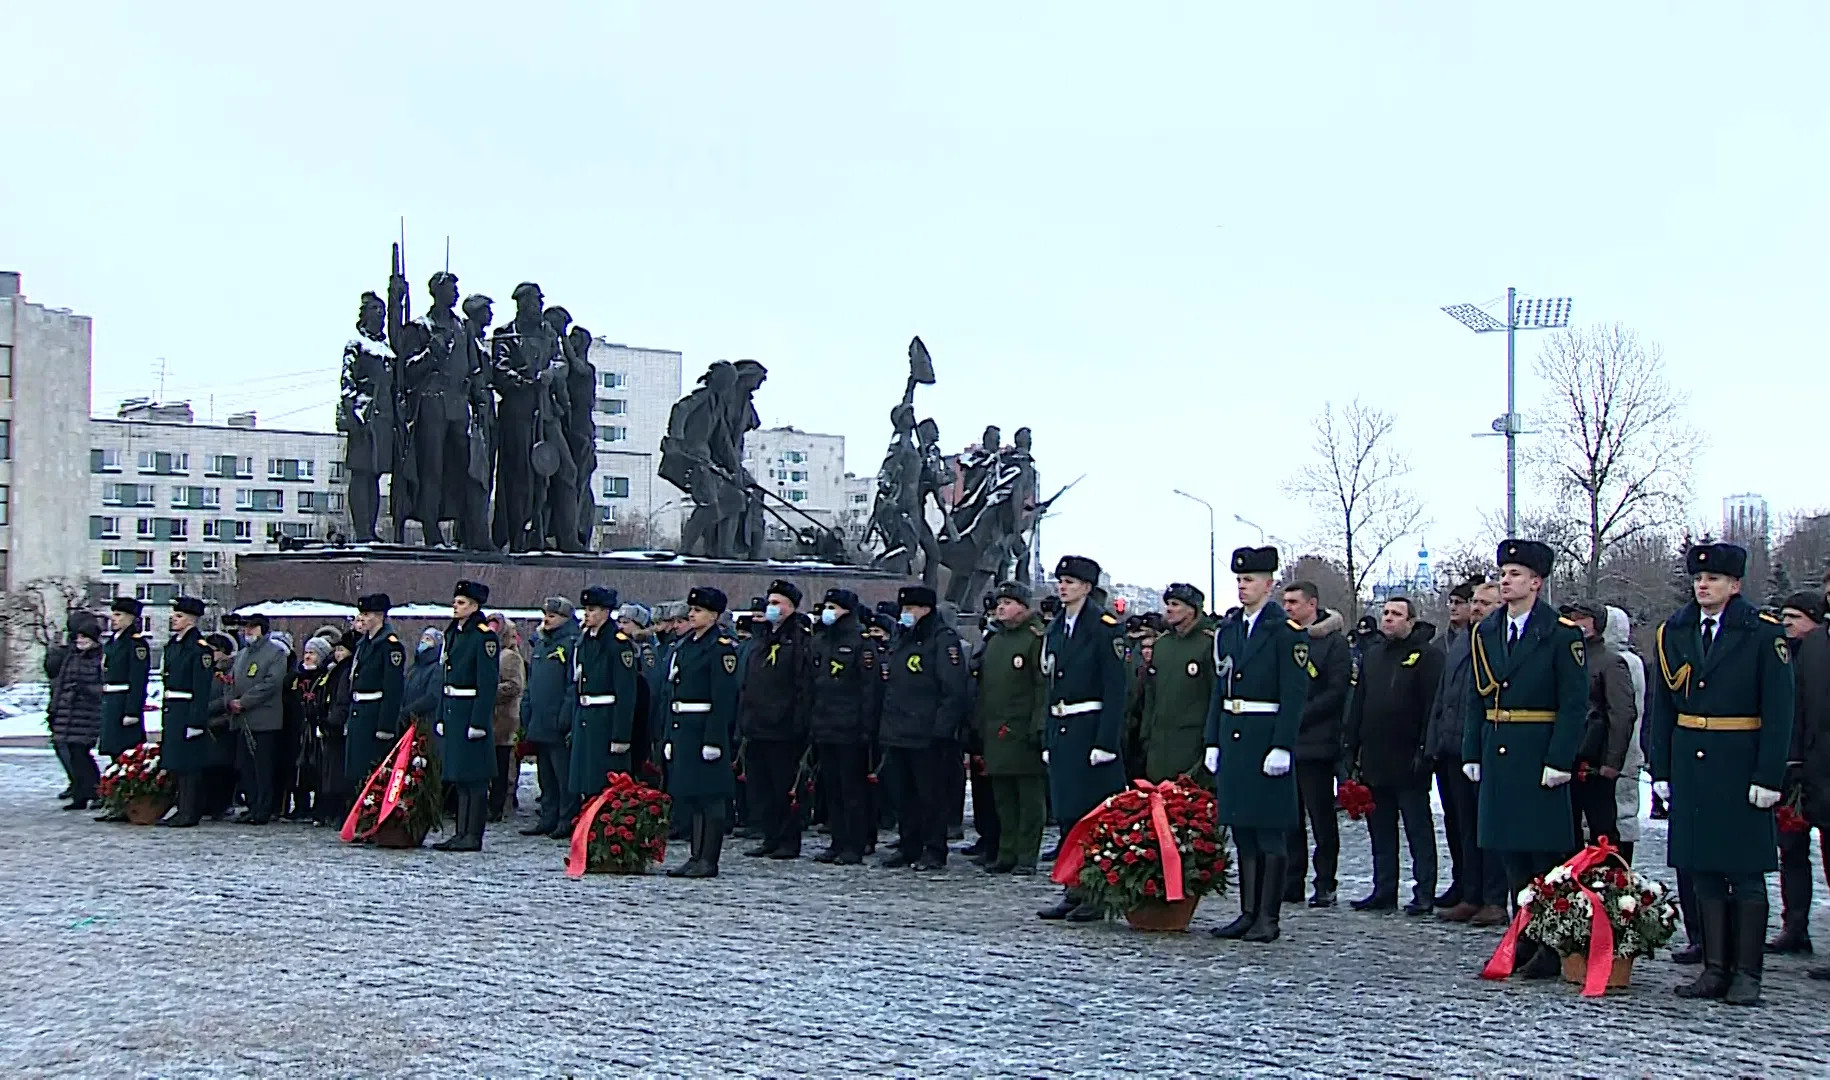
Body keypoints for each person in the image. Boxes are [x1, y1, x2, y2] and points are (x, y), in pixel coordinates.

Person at [1651, 541, 1793, 1006]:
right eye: (1697, 579)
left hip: (1741, 762)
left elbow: (1779, 710)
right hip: (1693, 762)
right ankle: (1714, 968)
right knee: (1703, 870)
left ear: (1735, 585)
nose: (1703, 586)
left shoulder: (1760, 632)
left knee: (1746, 873)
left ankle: (1747, 973)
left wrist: (1769, 776)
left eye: (1712, 579)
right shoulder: (1677, 630)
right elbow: (1664, 705)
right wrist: (1662, 767)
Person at [1461, 540, 1586, 979]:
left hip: (1538, 750)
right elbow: (1477, 696)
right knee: (1511, 853)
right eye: (1503, 572)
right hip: (1499, 748)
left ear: (1536, 582)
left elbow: (1574, 704)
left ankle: (1552, 945)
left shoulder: (1561, 633)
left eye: (1515, 573)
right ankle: (1524, 937)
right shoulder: (1487, 631)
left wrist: (1560, 759)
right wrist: (1471, 749)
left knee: (1545, 858)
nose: (1505, 579)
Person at [1203, 546, 1309, 943]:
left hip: (1266, 738)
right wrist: (1212, 739)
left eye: (1249, 580)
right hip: (1235, 735)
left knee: (1269, 831)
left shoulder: (1285, 632)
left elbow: (1294, 693)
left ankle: (1269, 915)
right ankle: (1247, 912)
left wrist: (1282, 745)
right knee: (1243, 829)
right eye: (1239, 581)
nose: (1242, 587)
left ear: (1269, 584)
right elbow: (1220, 688)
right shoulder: (1230, 629)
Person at [1037, 555, 1128, 920]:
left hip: (1090, 728)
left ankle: (1096, 891)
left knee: (1094, 816)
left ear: (1087, 588)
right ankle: (1073, 888)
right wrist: (1047, 737)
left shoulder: (1105, 628)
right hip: (1063, 729)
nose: (1063, 587)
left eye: (1071, 582)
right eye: (1061, 581)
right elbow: (1050, 685)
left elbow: (1116, 689)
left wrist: (1106, 742)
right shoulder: (1057, 628)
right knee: (1067, 815)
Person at [1343, 597, 1443, 916]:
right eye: (1385, 613)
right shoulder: (1373, 656)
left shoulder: (1428, 656)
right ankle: (1383, 888)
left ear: (1411, 621)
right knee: (1380, 829)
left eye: (1396, 614)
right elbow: (1358, 704)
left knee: (1417, 828)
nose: (1388, 619)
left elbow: (1432, 707)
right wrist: (1351, 746)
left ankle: (1424, 890)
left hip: (1410, 756)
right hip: (1375, 756)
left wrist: (1426, 750)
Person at [878, 584, 971, 871]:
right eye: (903, 609)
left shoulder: (943, 639)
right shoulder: (903, 637)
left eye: (910, 609)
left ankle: (934, 848)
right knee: (902, 794)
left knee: (930, 795)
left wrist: (942, 730)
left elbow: (953, 688)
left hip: (927, 733)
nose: (904, 614)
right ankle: (909, 845)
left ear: (926, 609)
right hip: (898, 730)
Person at [1433, 582, 1508, 925]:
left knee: (1489, 827)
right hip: (1453, 745)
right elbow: (1445, 695)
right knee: (1463, 826)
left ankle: (1494, 898)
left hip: (1484, 744)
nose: (1476, 607)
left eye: (1484, 603)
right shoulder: (1464, 640)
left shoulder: (1498, 640)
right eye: (1474, 602)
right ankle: (1470, 892)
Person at [1282, 581, 1351, 907]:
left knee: (1321, 817)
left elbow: (1336, 691)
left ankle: (1325, 881)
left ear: (1312, 604)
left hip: (1317, 740)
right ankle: (1291, 880)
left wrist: (1298, 715)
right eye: (1285, 602)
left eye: (1294, 602)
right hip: (1286, 743)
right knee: (1289, 818)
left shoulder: (1333, 643)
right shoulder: (1284, 638)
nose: (1288, 608)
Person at [664, 587, 740, 878]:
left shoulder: (720, 648)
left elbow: (722, 698)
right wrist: (671, 736)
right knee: (693, 796)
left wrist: (714, 739)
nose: (692, 615)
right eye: (691, 610)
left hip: (705, 728)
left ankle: (709, 858)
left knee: (711, 797)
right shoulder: (686, 645)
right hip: (685, 727)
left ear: (714, 615)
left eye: (698, 611)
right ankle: (695, 855)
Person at [974, 580, 1048, 874]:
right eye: (999, 603)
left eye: (1007, 603)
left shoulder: (1035, 638)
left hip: (1023, 729)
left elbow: (1042, 687)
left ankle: (1026, 854)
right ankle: (1007, 851)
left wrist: (1038, 727)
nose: (1001, 608)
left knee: (1029, 796)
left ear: (1023, 607)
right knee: (1003, 796)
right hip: (996, 727)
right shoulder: (996, 640)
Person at [740, 579, 817, 860]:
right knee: (762, 787)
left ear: (791, 607)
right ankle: (770, 836)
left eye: (777, 603)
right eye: (769, 602)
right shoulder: (762, 638)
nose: (771, 607)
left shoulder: (799, 639)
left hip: (784, 727)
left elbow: (803, 685)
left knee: (784, 786)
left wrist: (797, 722)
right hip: (758, 724)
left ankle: (787, 839)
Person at [805, 588, 880, 865]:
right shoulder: (821, 641)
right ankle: (837, 841)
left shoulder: (861, 642)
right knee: (833, 789)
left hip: (851, 727)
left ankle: (855, 844)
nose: (828, 611)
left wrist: (866, 728)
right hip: (825, 724)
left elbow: (869, 689)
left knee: (853, 790)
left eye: (833, 607)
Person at [1772, 592, 1828, 958]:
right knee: (1790, 850)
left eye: (1795, 617)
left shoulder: (1820, 654)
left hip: (1821, 769)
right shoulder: (1781, 656)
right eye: (1784, 616)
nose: (1787, 623)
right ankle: (1795, 925)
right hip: (1790, 772)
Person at [1561, 599, 1637, 848]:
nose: (1574, 622)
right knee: (1567, 833)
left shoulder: (1609, 662)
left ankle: (1609, 882)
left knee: (1602, 832)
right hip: (1565, 759)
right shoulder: (1565, 659)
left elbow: (1622, 713)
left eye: (1581, 617)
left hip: (1593, 761)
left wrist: (1611, 762)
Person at [434, 580, 501, 853]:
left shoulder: (483, 637)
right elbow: (445, 676)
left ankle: (473, 834)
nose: (455, 606)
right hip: (453, 709)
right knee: (460, 777)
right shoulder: (454, 634)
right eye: (455, 601)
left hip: (470, 710)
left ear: (474, 606)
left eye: (461, 603)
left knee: (474, 778)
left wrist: (478, 721)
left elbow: (487, 684)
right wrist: (441, 714)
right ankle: (460, 832)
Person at [1424, 581, 1477, 910]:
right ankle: (1461, 880)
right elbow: (1439, 699)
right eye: (1452, 602)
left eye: (1463, 602)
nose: (1455, 608)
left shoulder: (1477, 641)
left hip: (1467, 744)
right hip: (1446, 741)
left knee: (1470, 824)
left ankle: (1475, 887)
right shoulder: (1443, 645)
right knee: (1454, 822)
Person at [571, 587, 639, 821]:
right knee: (587, 782)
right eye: (585, 610)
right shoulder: (585, 641)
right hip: (586, 717)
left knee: (606, 783)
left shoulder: (618, 644)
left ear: (605, 612)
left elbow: (626, 694)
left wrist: (620, 736)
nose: (586, 615)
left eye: (591, 610)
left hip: (605, 719)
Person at [1139, 583, 1215, 783]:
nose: (1169, 609)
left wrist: (1211, 740)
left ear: (1192, 609)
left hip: (1192, 743)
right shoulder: (1163, 645)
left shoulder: (1209, 644)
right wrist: (1146, 734)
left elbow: (1216, 695)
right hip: (1159, 744)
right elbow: (1151, 693)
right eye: (1167, 604)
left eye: (1175, 604)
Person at [521, 597, 579, 837]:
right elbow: (532, 682)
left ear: (566, 619)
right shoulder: (542, 645)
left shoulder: (571, 644)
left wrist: (564, 717)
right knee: (545, 774)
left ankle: (566, 819)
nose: (546, 619)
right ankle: (548, 816)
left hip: (557, 721)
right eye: (545, 614)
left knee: (562, 775)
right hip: (539, 720)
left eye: (552, 616)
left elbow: (571, 686)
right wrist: (526, 710)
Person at [226, 613, 289, 826]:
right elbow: (231, 680)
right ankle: (252, 805)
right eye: (246, 628)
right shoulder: (243, 654)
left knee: (262, 766)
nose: (247, 632)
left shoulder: (275, 653)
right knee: (245, 766)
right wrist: (231, 700)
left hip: (263, 719)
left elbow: (271, 683)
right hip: (242, 720)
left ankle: (263, 808)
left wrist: (244, 701)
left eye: (252, 628)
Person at [158, 596, 215, 828]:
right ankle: (180, 808)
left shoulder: (198, 649)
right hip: (174, 708)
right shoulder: (174, 645)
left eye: (179, 616)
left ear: (192, 621)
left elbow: (201, 689)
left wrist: (196, 721)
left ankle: (190, 811)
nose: (174, 619)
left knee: (189, 764)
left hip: (188, 709)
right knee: (176, 762)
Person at [345, 594, 407, 798]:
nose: (361, 619)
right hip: (359, 711)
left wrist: (385, 726)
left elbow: (393, 688)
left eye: (366, 614)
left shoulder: (390, 645)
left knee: (372, 769)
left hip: (374, 713)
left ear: (379, 616)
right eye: (360, 614)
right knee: (355, 769)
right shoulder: (364, 643)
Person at [48, 612, 105, 811]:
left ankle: (97, 790)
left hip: (86, 713)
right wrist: (55, 708)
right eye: (78, 637)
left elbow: (101, 687)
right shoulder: (71, 657)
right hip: (68, 712)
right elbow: (61, 683)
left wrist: (85, 688)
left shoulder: (99, 658)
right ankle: (80, 794)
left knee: (82, 753)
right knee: (72, 753)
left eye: (85, 637)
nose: (80, 641)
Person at [1606, 606, 1648, 865]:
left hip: (1622, 750)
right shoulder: (1630, 661)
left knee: (1621, 814)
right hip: (1627, 749)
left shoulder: (1622, 663)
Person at [96, 597, 150, 765]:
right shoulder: (112, 642)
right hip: (110, 702)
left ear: (131, 618)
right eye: (113, 614)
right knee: (113, 751)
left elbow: (138, 680)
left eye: (119, 615)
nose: (113, 618)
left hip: (123, 702)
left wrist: (132, 711)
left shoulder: (135, 644)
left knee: (127, 753)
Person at [487, 615, 526, 823]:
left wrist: (487, 691)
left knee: (502, 763)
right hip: (492, 716)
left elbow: (514, 686)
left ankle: (499, 804)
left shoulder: (509, 657)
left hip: (503, 717)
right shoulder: (493, 654)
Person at [401, 627, 446, 730]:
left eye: (428, 639)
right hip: (408, 721)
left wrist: (410, 710)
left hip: (425, 723)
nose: (422, 641)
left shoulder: (437, 668)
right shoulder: (414, 668)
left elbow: (433, 696)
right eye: (423, 638)